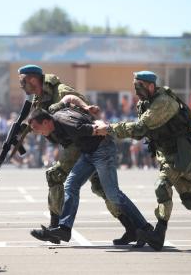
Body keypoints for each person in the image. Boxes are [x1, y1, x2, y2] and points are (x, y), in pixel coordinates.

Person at [94, 70, 191, 251]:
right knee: (189, 199)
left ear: (150, 86)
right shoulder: (145, 103)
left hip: (180, 153)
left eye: (139, 87)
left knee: (162, 186)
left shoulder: (163, 102)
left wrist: (108, 128)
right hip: (167, 153)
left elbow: (140, 128)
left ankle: (159, 233)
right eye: (135, 87)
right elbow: (143, 133)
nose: (136, 91)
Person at [16, 64, 138, 245]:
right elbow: (43, 124)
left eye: (23, 81)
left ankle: (56, 228)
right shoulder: (39, 99)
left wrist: (99, 130)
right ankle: (132, 227)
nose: (21, 86)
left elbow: (85, 114)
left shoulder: (61, 90)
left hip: (82, 144)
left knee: (55, 175)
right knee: (102, 188)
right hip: (79, 146)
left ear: (33, 79)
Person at [28, 108, 152, 244]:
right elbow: (70, 99)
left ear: (46, 122)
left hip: (102, 151)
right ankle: (64, 228)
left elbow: (89, 128)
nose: (36, 132)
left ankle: (146, 228)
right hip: (88, 153)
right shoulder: (56, 118)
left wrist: (98, 126)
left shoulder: (65, 122)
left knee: (113, 194)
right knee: (71, 185)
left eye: (36, 128)